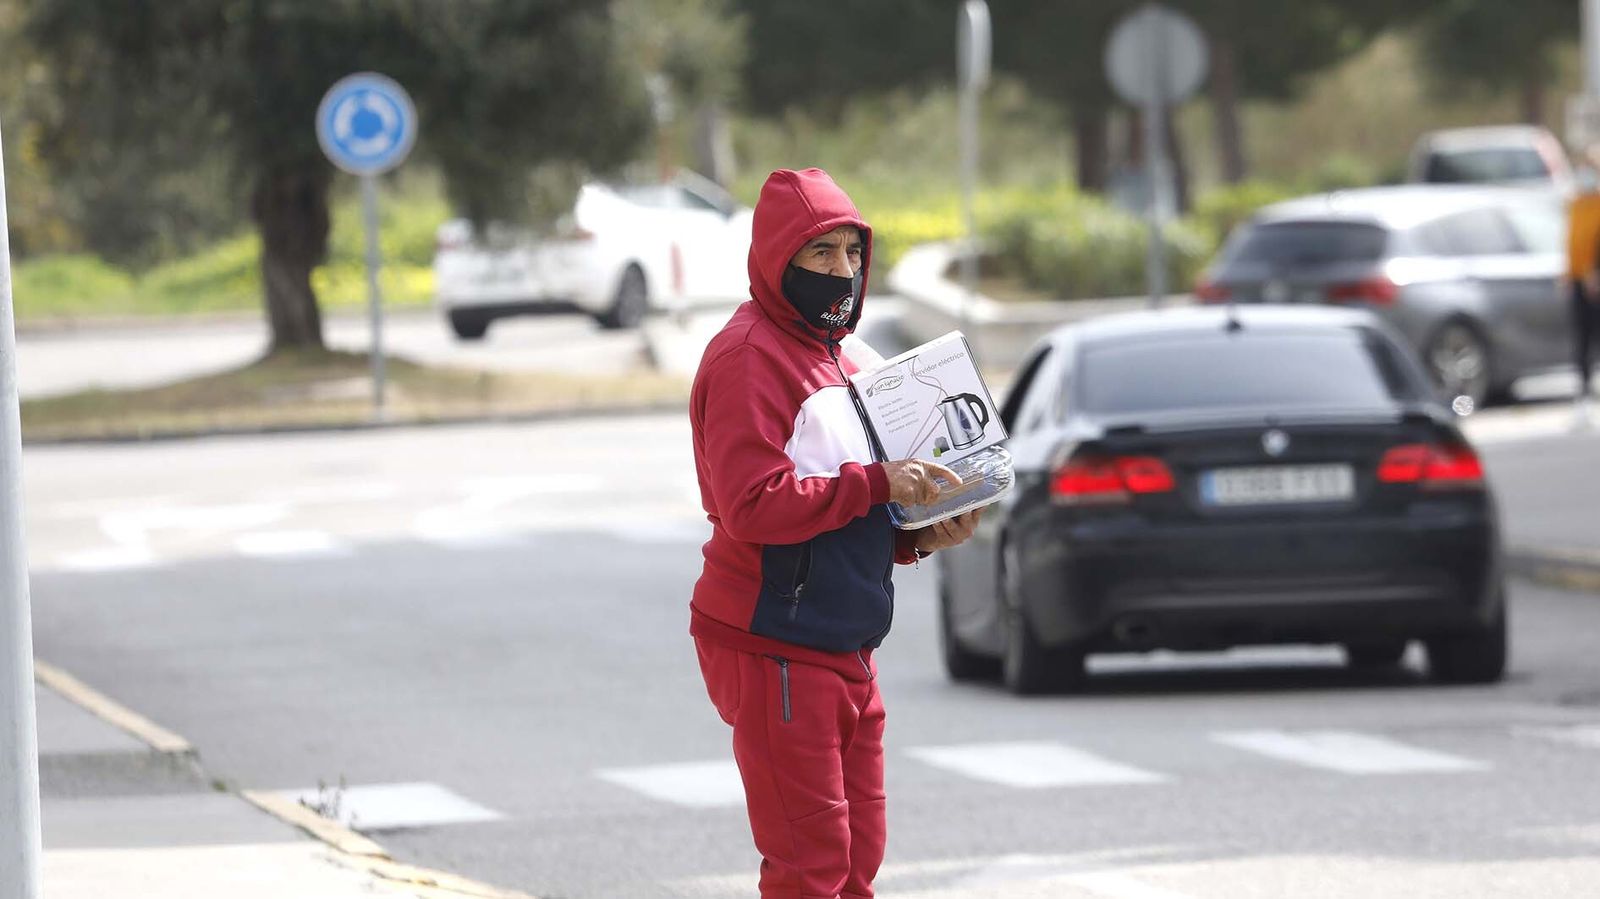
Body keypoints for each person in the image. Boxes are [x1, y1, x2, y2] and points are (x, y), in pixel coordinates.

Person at [688, 167, 981, 899]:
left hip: (844, 640)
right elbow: (751, 503)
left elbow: (836, 505)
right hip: (776, 641)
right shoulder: (749, 356)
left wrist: (916, 535)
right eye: (821, 254)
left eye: (853, 252)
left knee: (857, 859)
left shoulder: (844, 356)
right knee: (809, 866)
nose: (843, 271)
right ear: (776, 258)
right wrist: (882, 484)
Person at [1566, 146, 1600, 426]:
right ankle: (1584, 394)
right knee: (1582, 338)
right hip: (1578, 280)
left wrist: (1595, 272)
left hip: (1595, 280)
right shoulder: (1577, 203)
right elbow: (1572, 241)